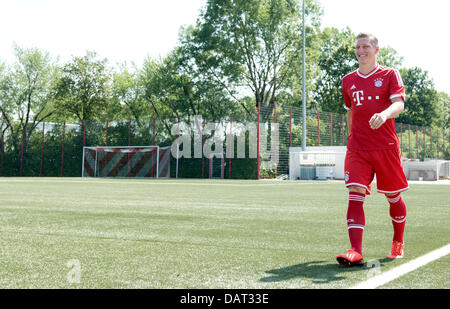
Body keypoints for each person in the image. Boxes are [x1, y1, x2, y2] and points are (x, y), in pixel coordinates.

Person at [336, 33, 409, 267]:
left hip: (385, 146)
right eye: (358, 47)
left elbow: (399, 103)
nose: (361, 50)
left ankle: (398, 240)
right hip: (358, 147)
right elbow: (350, 111)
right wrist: (351, 137)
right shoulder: (348, 80)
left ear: (376, 49)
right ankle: (355, 251)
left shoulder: (389, 74)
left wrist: (384, 114)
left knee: (392, 196)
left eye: (366, 46)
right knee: (355, 192)